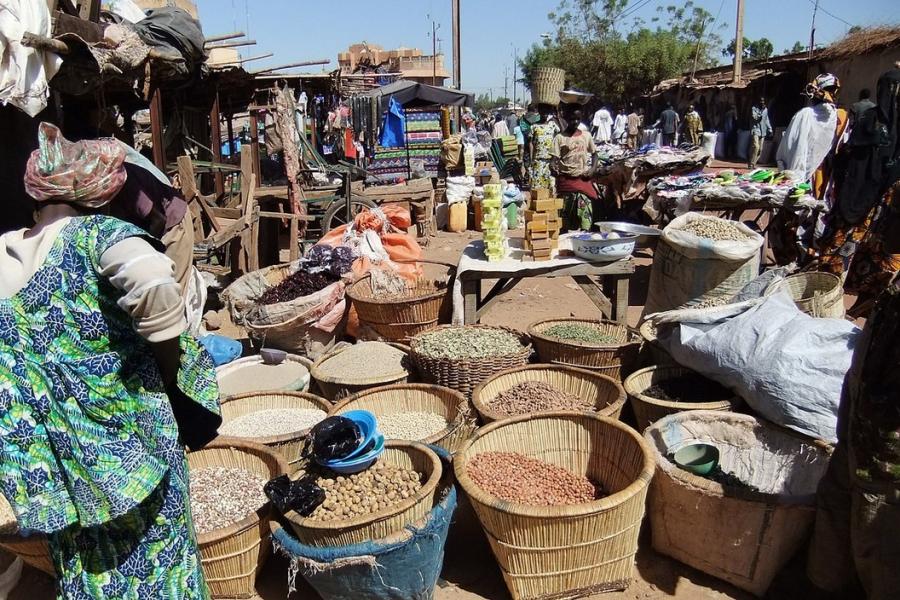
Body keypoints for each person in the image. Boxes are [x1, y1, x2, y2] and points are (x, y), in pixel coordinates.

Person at [0, 123, 221, 598]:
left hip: (58, 460)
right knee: (159, 552)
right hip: (128, 441)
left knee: (87, 567)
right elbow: (157, 288)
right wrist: (168, 368)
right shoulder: (100, 234)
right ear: (99, 194)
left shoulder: (4, 253)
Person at [806, 275, 900, 600]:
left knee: (881, 535)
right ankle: (824, 583)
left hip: (887, 448)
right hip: (863, 408)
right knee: (839, 495)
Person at [550, 105, 599, 231]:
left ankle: (584, 236)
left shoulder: (586, 136)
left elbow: (595, 155)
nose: (575, 122)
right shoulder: (560, 138)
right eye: (572, 119)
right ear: (566, 119)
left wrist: (592, 169)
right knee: (565, 214)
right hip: (566, 182)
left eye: (578, 119)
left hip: (582, 180)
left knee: (585, 213)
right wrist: (553, 168)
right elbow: (553, 160)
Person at [528, 105, 560, 190]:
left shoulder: (553, 125)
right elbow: (531, 143)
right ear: (539, 111)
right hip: (538, 160)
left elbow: (559, 138)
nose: (545, 113)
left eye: (547, 111)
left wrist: (557, 116)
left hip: (551, 162)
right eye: (543, 111)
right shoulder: (534, 126)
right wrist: (532, 159)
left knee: (550, 187)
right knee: (537, 188)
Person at [748, 97, 773, 169]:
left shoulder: (766, 109)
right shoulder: (754, 108)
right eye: (761, 101)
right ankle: (751, 164)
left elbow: (766, 119)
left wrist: (770, 129)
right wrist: (761, 112)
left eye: (763, 101)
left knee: (760, 149)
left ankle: (753, 163)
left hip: (763, 131)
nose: (762, 102)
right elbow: (755, 118)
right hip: (755, 130)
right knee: (756, 147)